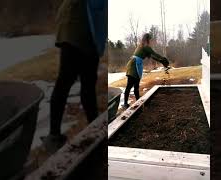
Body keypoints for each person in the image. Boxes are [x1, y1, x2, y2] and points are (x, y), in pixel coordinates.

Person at [41, 0, 107, 151]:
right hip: (81, 22)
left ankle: (57, 136)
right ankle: (94, 132)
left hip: (72, 20)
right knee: (82, 82)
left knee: (70, 81)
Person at [123, 33, 169, 108]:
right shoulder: (145, 46)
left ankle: (138, 100)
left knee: (136, 85)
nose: (151, 41)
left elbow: (152, 56)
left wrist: (161, 61)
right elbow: (154, 53)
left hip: (136, 64)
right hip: (133, 65)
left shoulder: (143, 46)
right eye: (150, 39)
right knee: (130, 85)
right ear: (148, 39)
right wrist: (163, 58)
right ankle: (125, 104)